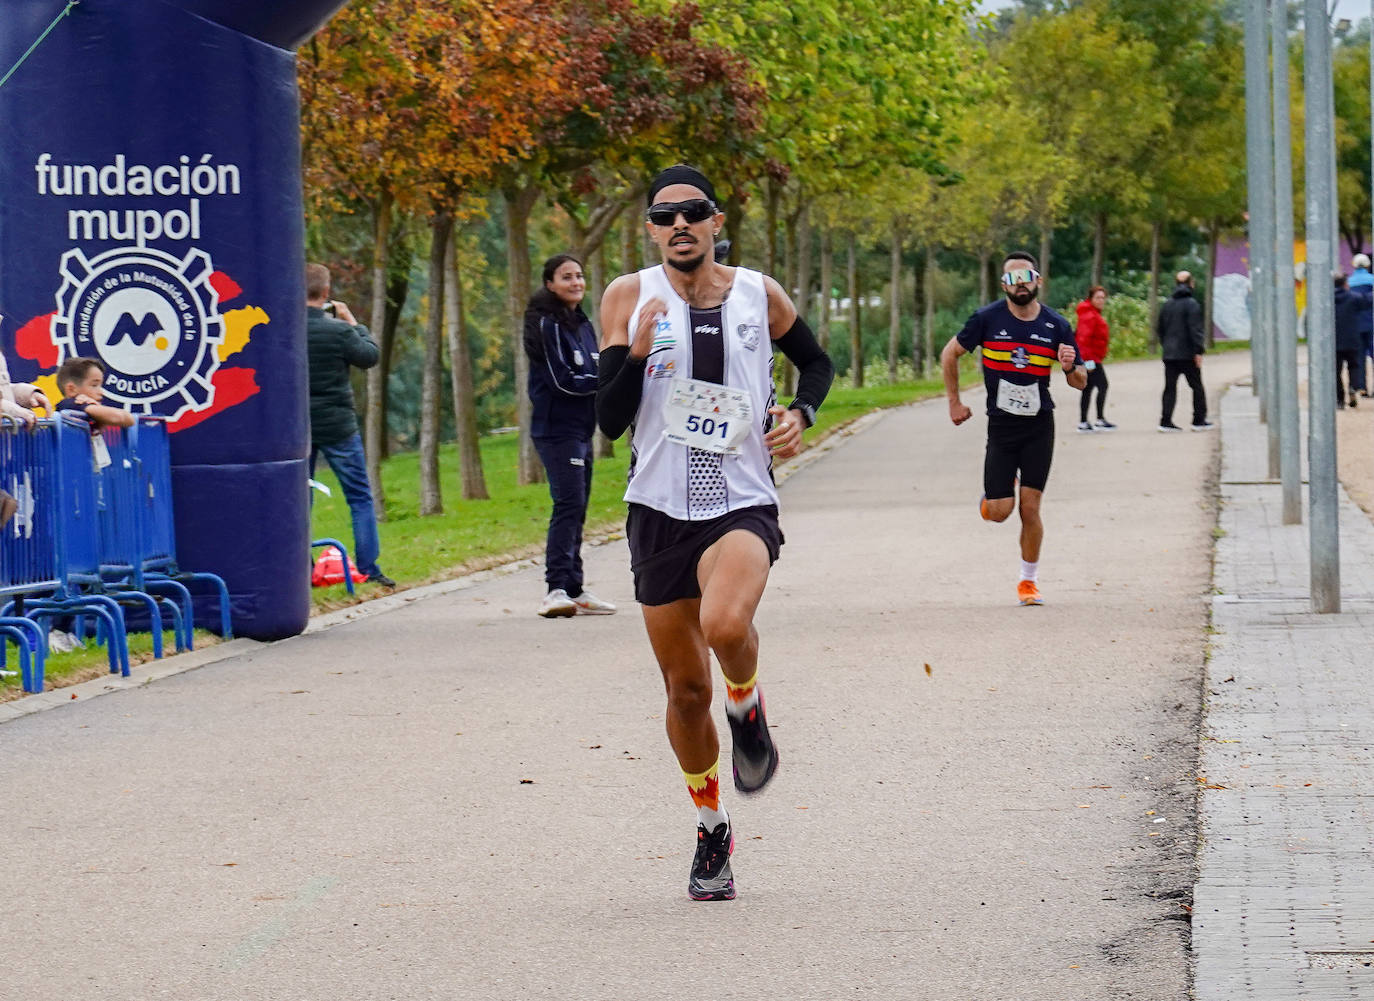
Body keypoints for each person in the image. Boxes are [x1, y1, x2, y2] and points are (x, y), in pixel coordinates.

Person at [596, 163, 834, 902]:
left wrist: (801, 411)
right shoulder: (628, 296)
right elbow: (608, 420)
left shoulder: (759, 293)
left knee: (726, 624)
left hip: (740, 499)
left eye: (693, 211)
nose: (680, 224)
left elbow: (816, 362)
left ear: (716, 221)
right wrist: (637, 355)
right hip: (658, 509)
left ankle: (748, 705)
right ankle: (711, 826)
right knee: (684, 689)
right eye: (665, 215)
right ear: (651, 229)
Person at [940, 251, 1086, 608]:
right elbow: (949, 353)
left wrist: (1070, 368)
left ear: (1038, 280)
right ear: (1003, 284)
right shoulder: (987, 319)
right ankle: (992, 500)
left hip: (1039, 425)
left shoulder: (1056, 325)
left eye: (1026, 277)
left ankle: (1028, 582)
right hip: (1002, 427)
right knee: (1000, 511)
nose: (1020, 285)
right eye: (1012, 279)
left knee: (1030, 508)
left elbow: (1081, 381)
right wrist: (954, 402)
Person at [523, 253, 616, 618]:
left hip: (581, 428)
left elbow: (596, 366)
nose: (576, 282)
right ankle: (555, 589)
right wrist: (606, 382)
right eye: (566, 277)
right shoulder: (547, 324)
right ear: (550, 284)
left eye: (579, 275)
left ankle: (575, 588)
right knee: (568, 504)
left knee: (578, 505)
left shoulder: (582, 323)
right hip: (555, 429)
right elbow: (561, 380)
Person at [305, 263, 394, 589]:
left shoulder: (285, 331)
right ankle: (369, 568)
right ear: (327, 293)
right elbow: (369, 356)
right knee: (359, 497)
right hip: (339, 426)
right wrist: (353, 322)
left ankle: (301, 569)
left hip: (299, 427)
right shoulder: (340, 332)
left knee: (299, 499)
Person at [1157, 270, 1211, 432]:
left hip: (1170, 354)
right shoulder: (1192, 304)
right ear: (1191, 284)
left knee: (1170, 388)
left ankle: (1165, 421)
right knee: (1197, 386)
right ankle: (1198, 420)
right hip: (1187, 354)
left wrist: (1166, 345)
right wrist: (1198, 351)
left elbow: (1160, 329)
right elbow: (1195, 330)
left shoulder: (1167, 304)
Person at [1074, 285, 1115, 432]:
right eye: (1098, 297)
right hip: (1090, 359)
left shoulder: (1092, 313)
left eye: (1103, 298)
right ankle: (1099, 419)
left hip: (1092, 357)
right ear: (1091, 299)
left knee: (1088, 388)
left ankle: (1084, 422)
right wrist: (1087, 363)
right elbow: (1083, 340)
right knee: (1103, 385)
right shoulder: (1089, 315)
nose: (1101, 300)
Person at [54, 357, 134, 429]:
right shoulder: (74, 404)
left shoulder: (86, 409)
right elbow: (122, 417)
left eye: (100, 385)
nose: (101, 392)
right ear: (72, 389)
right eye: (94, 385)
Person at [1334, 273, 1366, 409]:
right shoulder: (1353, 297)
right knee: (1354, 366)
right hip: (1352, 339)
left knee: (1336, 372)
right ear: (1345, 284)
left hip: (1334, 341)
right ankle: (1353, 386)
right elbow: (1367, 301)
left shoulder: (1327, 300)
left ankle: (1340, 401)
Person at [1348, 253, 1373, 396]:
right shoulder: (1372, 280)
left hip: (1356, 324)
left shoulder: (1349, 282)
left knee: (1360, 356)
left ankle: (1362, 387)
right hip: (1372, 322)